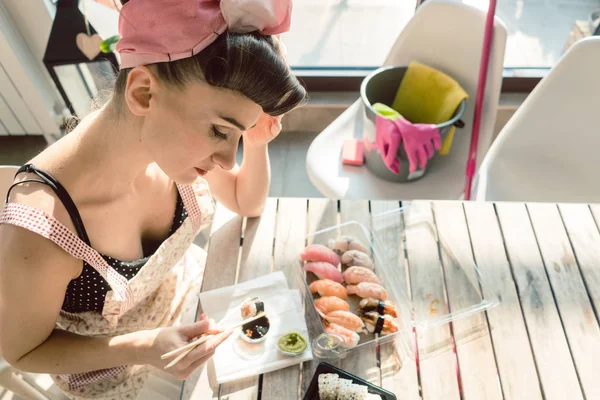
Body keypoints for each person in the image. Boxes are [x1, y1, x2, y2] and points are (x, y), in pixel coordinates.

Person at [0, 0, 307, 399]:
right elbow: (23, 351)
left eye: (237, 135)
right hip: (112, 372)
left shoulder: (164, 142)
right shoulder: (42, 231)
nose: (229, 159)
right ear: (144, 92)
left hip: (193, 311)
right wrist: (146, 347)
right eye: (219, 131)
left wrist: (254, 137)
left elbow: (246, 203)